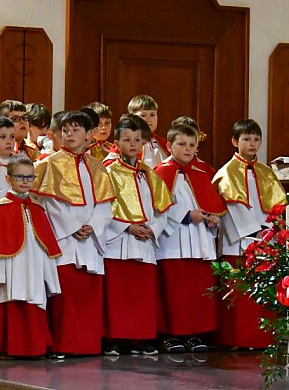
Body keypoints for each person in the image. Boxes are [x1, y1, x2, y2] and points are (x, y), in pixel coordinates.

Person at [32, 110, 115, 357]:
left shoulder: (97, 166)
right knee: (65, 294)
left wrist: (93, 225)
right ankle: (63, 344)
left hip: (90, 240)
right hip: (65, 239)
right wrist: (72, 226)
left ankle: (87, 345)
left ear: (89, 134)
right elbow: (48, 202)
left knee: (88, 294)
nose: (69, 134)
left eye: (76, 129)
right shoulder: (49, 164)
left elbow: (105, 204)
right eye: (65, 130)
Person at [0, 155, 61, 358]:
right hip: (9, 268)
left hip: (34, 266)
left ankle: (34, 347)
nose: (25, 181)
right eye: (20, 177)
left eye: (30, 177)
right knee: (9, 299)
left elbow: (47, 246)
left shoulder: (38, 209)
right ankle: (6, 347)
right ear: (8, 179)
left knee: (34, 299)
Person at [212, 118, 287, 349]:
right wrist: (255, 232)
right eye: (246, 139)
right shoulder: (227, 172)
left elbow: (277, 205)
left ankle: (262, 339)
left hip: (265, 239)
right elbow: (231, 206)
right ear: (235, 141)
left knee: (262, 292)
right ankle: (237, 339)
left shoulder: (266, 171)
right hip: (239, 241)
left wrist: (271, 230)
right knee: (240, 293)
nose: (252, 144)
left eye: (256, 139)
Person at [102, 114, 172, 356]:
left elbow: (162, 209)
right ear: (117, 143)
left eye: (137, 140)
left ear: (143, 142)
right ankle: (114, 339)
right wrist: (126, 227)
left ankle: (141, 338)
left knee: (142, 294)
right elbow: (102, 207)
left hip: (144, 241)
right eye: (127, 139)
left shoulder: (149, 174)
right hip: (118, 241)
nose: (132, 144)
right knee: (118, 293)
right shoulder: (108, 172)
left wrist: (153, 228)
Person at [154, 124, 227, 353]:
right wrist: (186, 215)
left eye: (192, 145)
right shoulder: (160, 173)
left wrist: (213, 219)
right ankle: (171, 335)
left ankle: (195, 334)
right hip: (173, 243)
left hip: (199, 241)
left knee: (197, 292)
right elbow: (158, 207)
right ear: (169, 146)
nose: (187, 149)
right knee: (175, 293)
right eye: (182, 144)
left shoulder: (200, 174)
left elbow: (209, 204)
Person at [128, 95, 168, 168]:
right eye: (143, 115)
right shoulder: (125, 144)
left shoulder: (165, 145)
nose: (149, 119)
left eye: (152, 115)